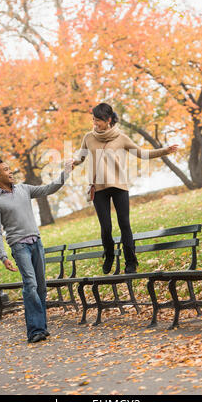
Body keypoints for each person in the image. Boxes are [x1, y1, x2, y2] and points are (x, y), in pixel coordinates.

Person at [73, 103, 178, 274]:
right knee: (105, 227)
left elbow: (142, 153)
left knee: (124, 224)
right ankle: (109, 254)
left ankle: (131, 262)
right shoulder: (88, 137)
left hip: (119, 186)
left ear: (108, 120)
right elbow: (81, 156)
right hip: (98, 188)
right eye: (93, 119)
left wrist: (164, 151)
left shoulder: (121, 138)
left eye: (98, 120)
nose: (94, 123)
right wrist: (73, 162)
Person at [0, 158, 73, 343]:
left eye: (10, 169)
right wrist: (3, 256)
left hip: (36, 243)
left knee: (41, 287)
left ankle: (41, 327)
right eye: (5, 170)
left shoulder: (24, 189)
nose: (10, 172)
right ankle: (34, 331)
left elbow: (48, 189)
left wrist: (65, 172)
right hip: (19, 246)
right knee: (31, 285)